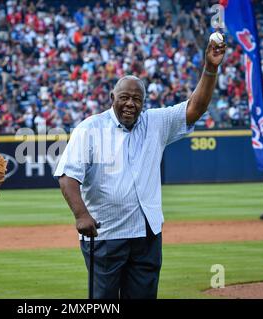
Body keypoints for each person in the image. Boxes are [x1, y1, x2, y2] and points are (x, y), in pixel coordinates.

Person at [54, 40, 226, 299]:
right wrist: (81, 215)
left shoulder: (155, 122)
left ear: (144, 101)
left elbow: (195, 108)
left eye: (137, 99)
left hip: (146, 235)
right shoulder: (89, 129)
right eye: (124, 97)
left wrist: (210, 69)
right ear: (112, 97)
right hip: (106, 234)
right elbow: (68, 176)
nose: (130, 104)